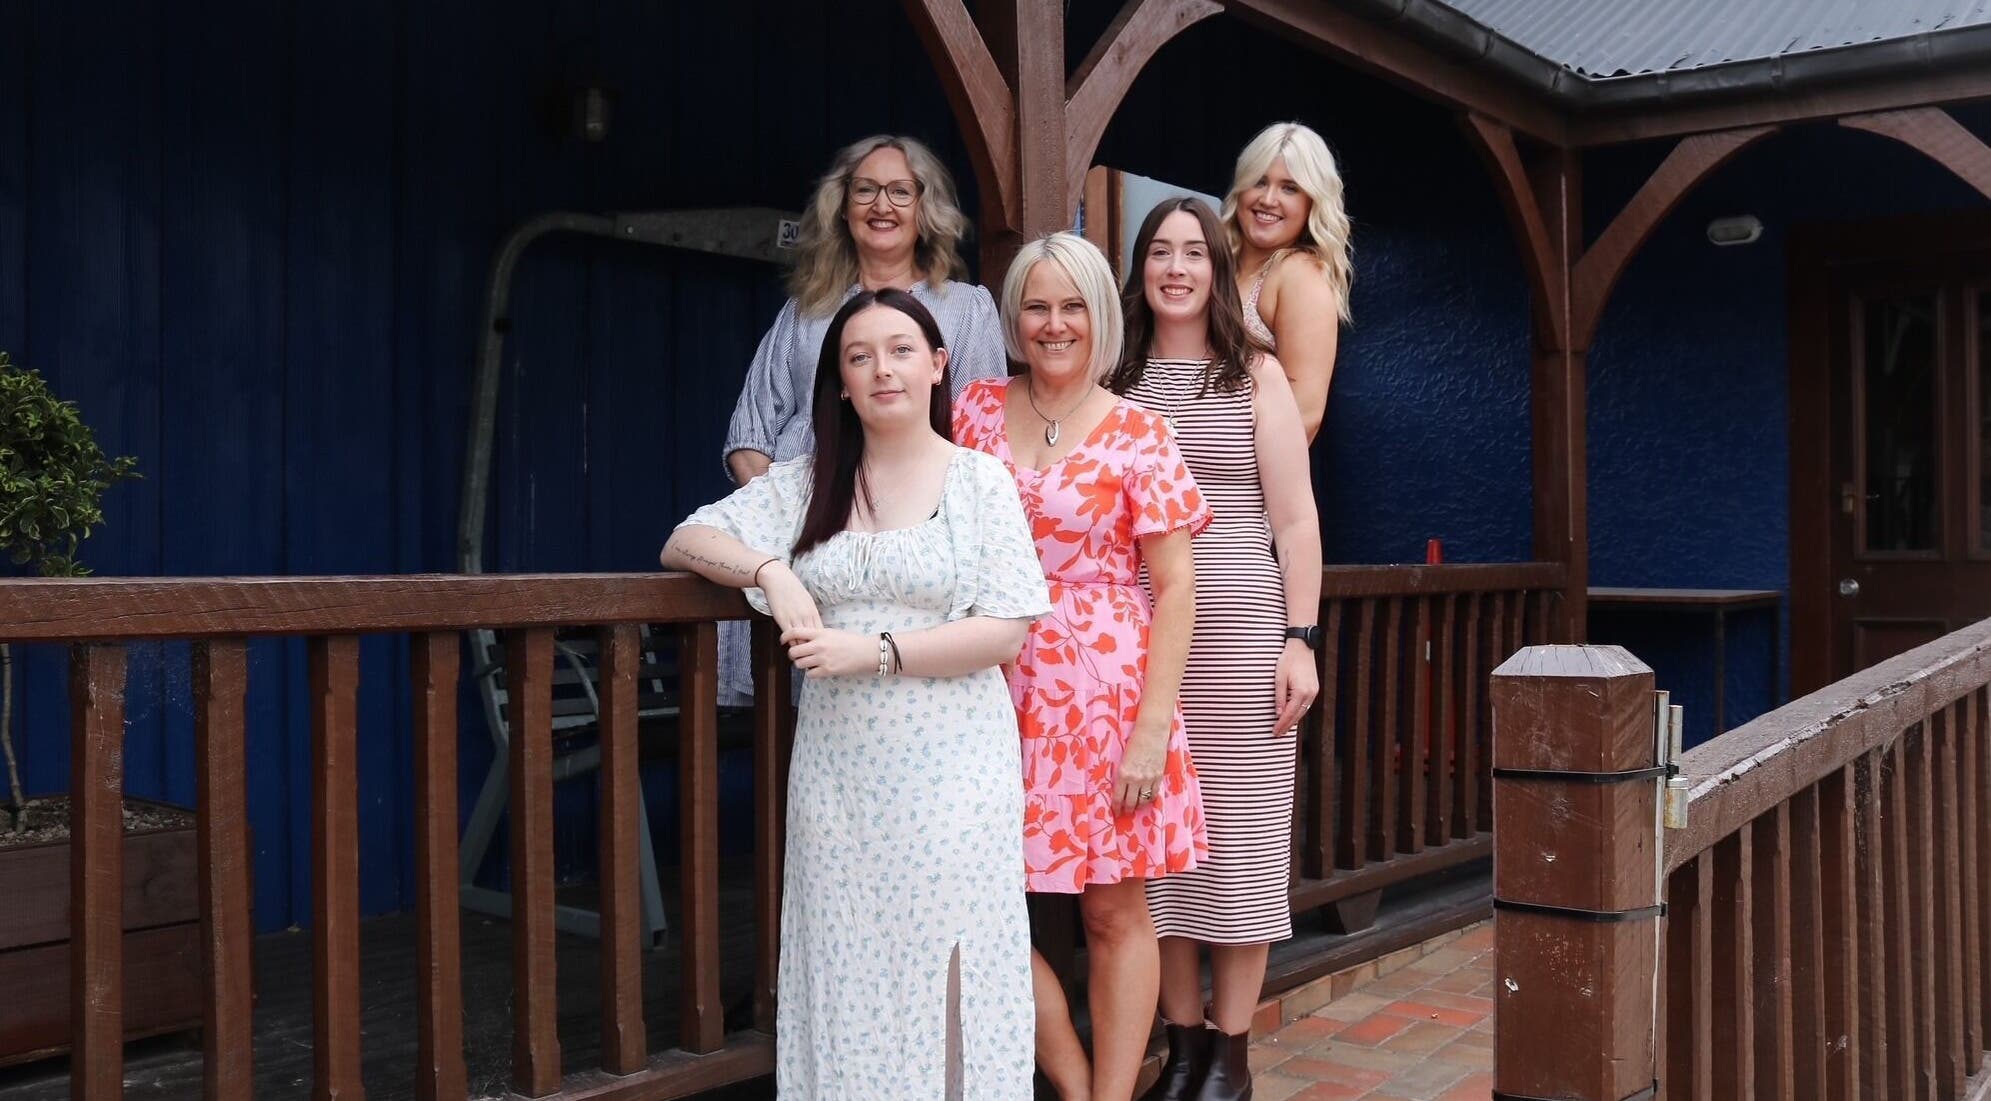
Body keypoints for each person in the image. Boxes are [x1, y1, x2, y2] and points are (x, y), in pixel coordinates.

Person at [664, 289, 1049, 1100]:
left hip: (954, 773)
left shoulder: (979, 481)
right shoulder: (807, 485)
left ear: (938, 365)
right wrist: (770, 569)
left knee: (949, 964)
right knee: (845, 965)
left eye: (902, 350)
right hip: (839, 779)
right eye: (860, 355)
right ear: (839, 380)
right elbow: (687, 538)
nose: (883, 369)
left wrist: (874, 651)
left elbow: (1005, 630)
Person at [953, 232, 1209, 1101]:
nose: (1053, 324)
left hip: (1107, 697)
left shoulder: (1142, 431)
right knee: (977, 902)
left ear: (1099, 315)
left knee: (1110, 909)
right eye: (1036, 305)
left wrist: (1149, 729)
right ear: (1014, 318)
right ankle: (1067, 1070)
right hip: (984, 684)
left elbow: (1176, 587)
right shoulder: (972, 412)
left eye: (1072, 307)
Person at [1111, 198, 1322, 1101]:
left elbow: (1294, 516)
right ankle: (1183, 1048)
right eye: (1159, 251)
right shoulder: (1113, 378)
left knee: (1237, 844)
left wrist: (1299, 637)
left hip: (1239, 628)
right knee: (1157, 852)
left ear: (1216, 269)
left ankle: (1230, 1061)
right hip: (1138, 638)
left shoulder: (1253, 371)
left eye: (1194, 251)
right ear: (1140, 269)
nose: (1176, 267)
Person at [715, 133, 1008, 707]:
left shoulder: (966, 308)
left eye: (901, 191)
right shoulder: (807, 312)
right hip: (808, 550)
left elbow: (981, 433)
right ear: (842, 207)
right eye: (866, 190)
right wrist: (802, 520)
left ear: (926, 208)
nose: (883, 206)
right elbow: (747, 438)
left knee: (911, 698)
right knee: (810, 712)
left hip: (919, 548)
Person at [1220, 121, 1354, 442]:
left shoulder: (1299, 274)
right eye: (1259, 181)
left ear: (1312, 202)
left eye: (1289, 188)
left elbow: (1303, 416)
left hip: (1242, 481)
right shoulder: (1212, 263)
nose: (1268, 199)